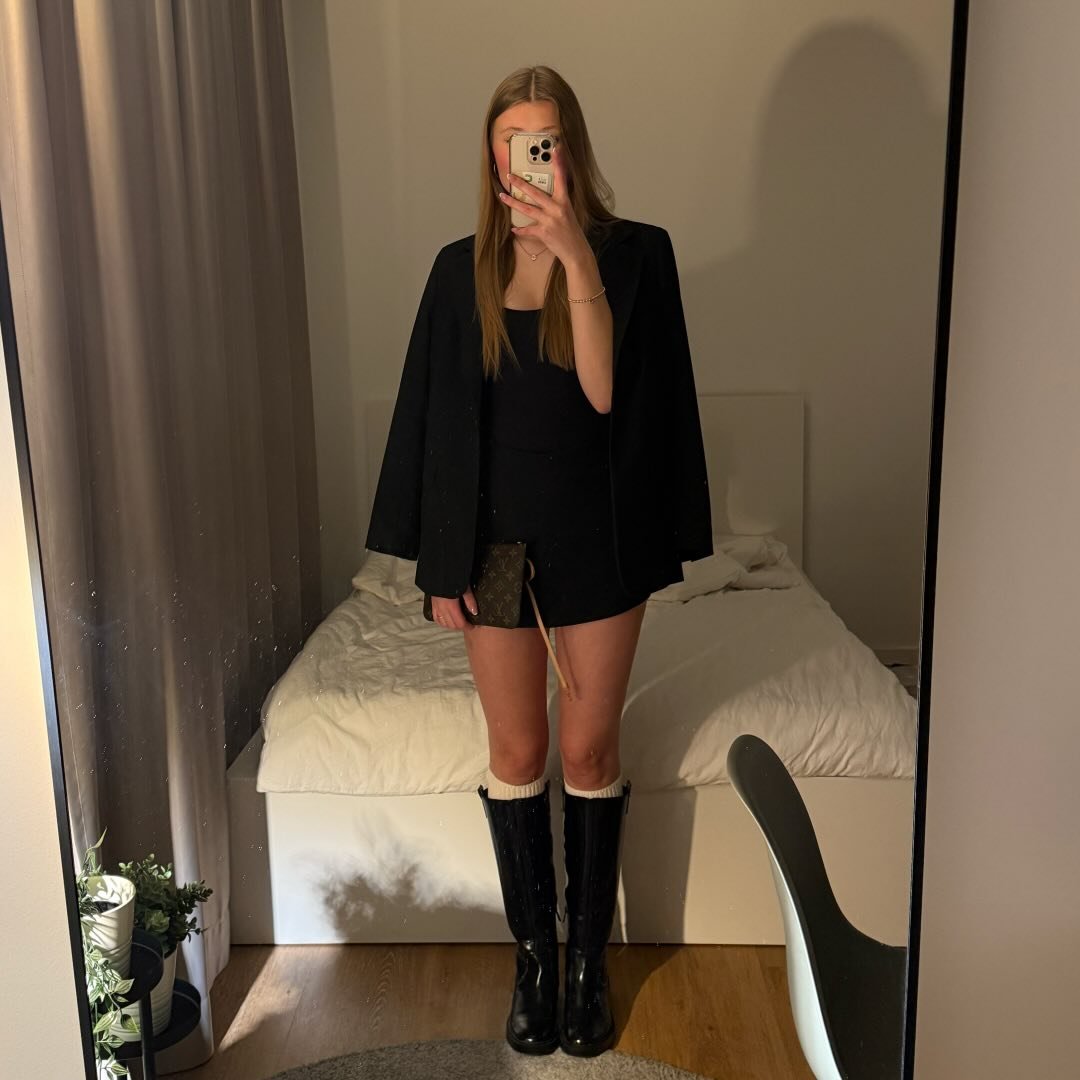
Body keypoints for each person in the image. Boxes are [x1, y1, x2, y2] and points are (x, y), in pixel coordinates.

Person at [366, 63, 713, 1058]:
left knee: (589, 754)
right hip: (495, 553)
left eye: (545, 140)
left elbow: (607, 395)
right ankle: (533, 960)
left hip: (600, 540)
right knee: (517, 754)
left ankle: (586, 964)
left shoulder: (634, 255)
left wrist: (573, 258)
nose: (530, 158)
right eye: (514, 141)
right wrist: (441, 566)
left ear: (571, 149)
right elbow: (434, 426)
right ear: (492, 155)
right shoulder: (458, 271)